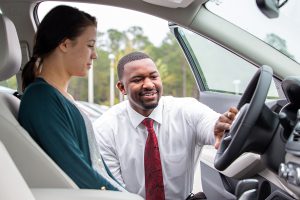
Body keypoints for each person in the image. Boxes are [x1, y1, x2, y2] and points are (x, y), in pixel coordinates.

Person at [94, 51, 238, 199]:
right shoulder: (105, 129)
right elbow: (115, 192)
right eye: (137, 80)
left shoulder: (187, 110)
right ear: (122, 88)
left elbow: (211, 124)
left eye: (154, 76)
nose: (149, 84)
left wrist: (220, 128)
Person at [18, 5, 125, 191]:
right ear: (65, 44)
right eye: (90, 45)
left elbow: (97, 167)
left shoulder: (57, 96)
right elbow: (77, 172)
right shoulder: (41, 99)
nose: (95, 55)